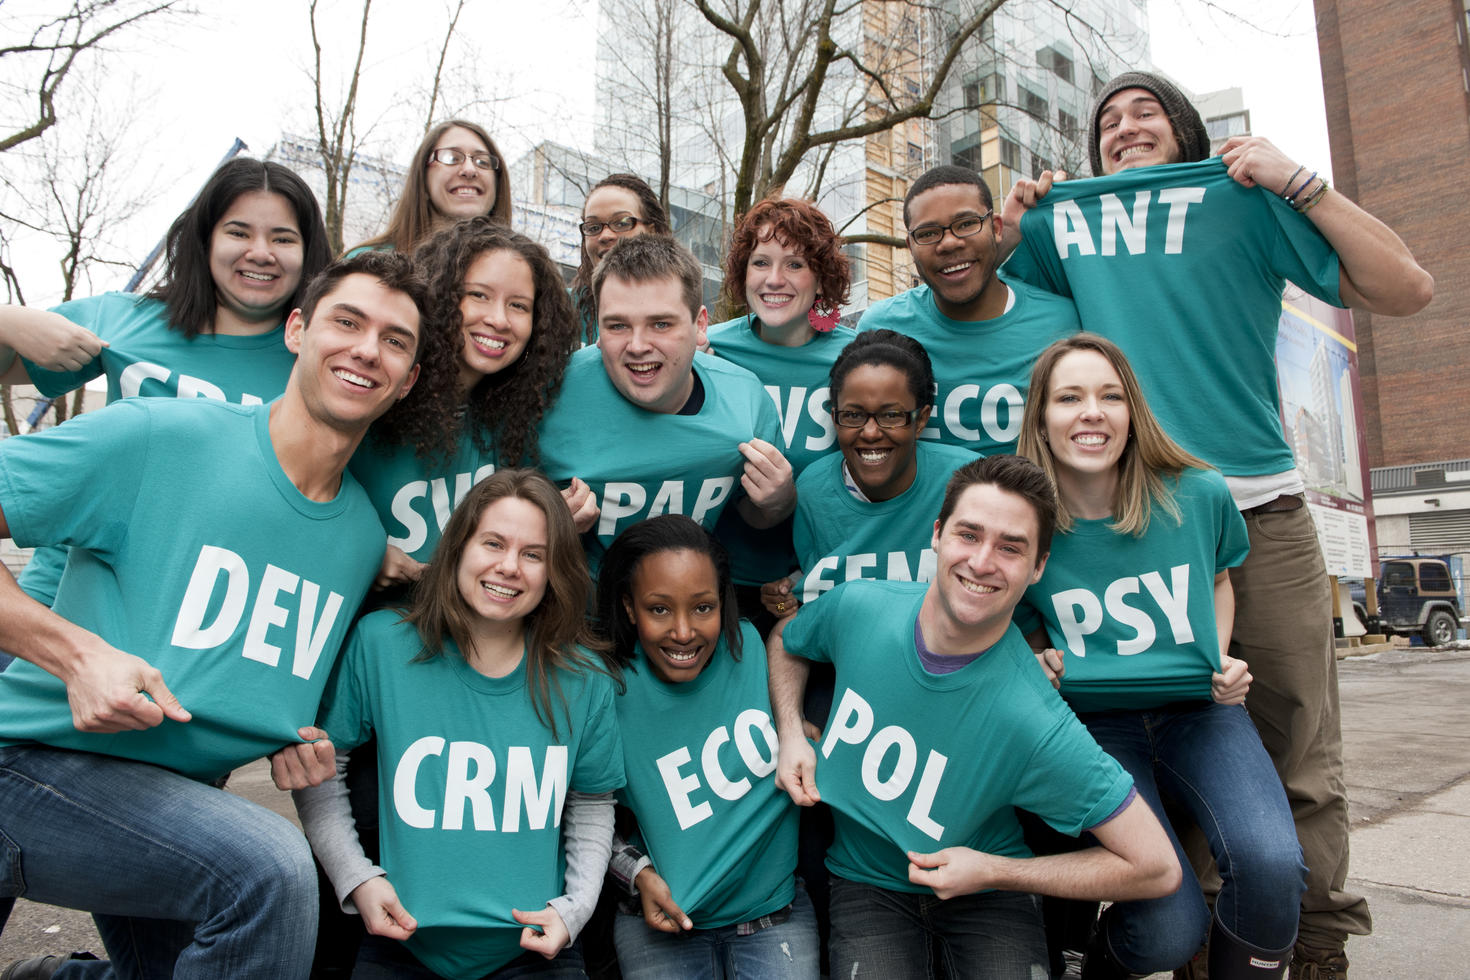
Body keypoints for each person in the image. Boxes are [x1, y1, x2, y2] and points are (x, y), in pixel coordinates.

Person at [1001, 70, 1434, 978]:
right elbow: (995, 320)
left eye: (1144, 113)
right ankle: (1194, 945)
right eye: (1106, 123)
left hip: (1258, 515)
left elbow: (1406, 289)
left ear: (1192, 135)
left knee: (1296, 746)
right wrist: (1013, 224)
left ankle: (1315, 945)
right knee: (1182, 741)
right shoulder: (1067, 226)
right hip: (1127, 528)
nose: (1122, 129)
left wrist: (1295, 180)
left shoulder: (1243, 203)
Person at [0, 251, 427, 979]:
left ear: (409, 378)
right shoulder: (160, 436)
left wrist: (297, 744)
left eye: (395, 340)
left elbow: (253, 680)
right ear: (296, 330)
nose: (366, 349)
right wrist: (75, 655)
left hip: (174, 809)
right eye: (347, 322)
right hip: (32, 772)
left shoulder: (360, 536)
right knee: (271, 873)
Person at [767, 454, 1181, 980]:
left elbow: (1156, 867)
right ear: (937, 535)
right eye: (969, 535)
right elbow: (787, 639)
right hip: (864, 882)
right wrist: (789, 734)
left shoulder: (1037, 721)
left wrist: (994, 871)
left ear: (1037, 568)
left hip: (988, 894)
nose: (983, 562)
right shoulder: (860, 607)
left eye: (1011, 548)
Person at [1015, 334, 1304, 979]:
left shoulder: (1199, 494)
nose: (1092, 412)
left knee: (1272, 868)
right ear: (1041, 417)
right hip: (1092, 730)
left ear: (1132, 411)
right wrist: (1035, 661)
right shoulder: (1023, 520)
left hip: (1199, 715)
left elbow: (1219, 577)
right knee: (1169, 928)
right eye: (1070, 397)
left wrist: (1220, 657)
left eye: (1110, 396)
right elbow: (1014, 622)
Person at [287, 469, 624, 979]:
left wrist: (574, 910)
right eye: (493, 543)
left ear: (555, 571)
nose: (509, 567)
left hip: (536, 952)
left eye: (534, 554)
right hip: (400, 946)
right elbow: (322, 768)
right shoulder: (381, 645)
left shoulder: (584, 677)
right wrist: (355, 879)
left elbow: (593, 802)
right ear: (458, 547)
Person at [0, 156, 331, 611]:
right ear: (206, 238)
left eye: (283, 238)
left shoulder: (321, 362)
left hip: (217, 615)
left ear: (307, 251)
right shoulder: (122, 320)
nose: (260, 252)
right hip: (69, 600)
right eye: (238, 232)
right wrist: (9, 322)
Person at [596, 515, 817, 979]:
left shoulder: (755, 650)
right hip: (658, 924)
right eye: (659, 609)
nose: (683, 632)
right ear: (630, 607)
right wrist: (636, 874)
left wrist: (795, 726)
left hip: (774, 920)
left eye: (702, 607)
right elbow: (584, 815)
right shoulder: (605, 691)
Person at [351, 217, 588, 588]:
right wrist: (362, 552)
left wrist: (556, 518)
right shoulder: (379, 395)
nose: (498, 320)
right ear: (442, 295)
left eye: (519, 306)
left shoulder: (516, 418)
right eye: (478, 295)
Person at [537, 235, 794, 573]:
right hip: (576, 613)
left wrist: (780, 502)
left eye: (661, 324)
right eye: (618, 325)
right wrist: (541, 522)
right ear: (597, 329)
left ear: (700, 326)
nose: (638, 345)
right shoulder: (548, 395)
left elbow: (752, 514)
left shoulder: (745, 400)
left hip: (688, 614)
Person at [855, 165, 1078, 456]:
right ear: (910, 246)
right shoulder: (881, 328)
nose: (948, 243)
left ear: (997, 228)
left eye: (966, 224)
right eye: (928, 233)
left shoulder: (1063, 322)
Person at [705, 197, 856, 626]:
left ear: (821, 277)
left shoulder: (857, 359)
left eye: (794, 265)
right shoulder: (707, 350)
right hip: (712, 584)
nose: (774, 280)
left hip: (815, 584)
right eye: (760, 262)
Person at [764, 330, 975, 615]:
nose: (871, 432)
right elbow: (801, 601)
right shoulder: (813, 491)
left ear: (921, 419)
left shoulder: (969, 483)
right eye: (853, 415)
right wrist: (779, 602)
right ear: (834, 417)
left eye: (891, 415)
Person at [351, 119, 513, 255]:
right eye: (452, 158)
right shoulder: (366, 266)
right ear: (423, 176)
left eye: (482, 161)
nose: (469, 170)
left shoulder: (521, 274)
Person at [569, 174, 672, 344]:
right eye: (593, 227)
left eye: (622, 223)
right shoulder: (557, 308)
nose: (605, 235)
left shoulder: (682, 308)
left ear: (652, 231)